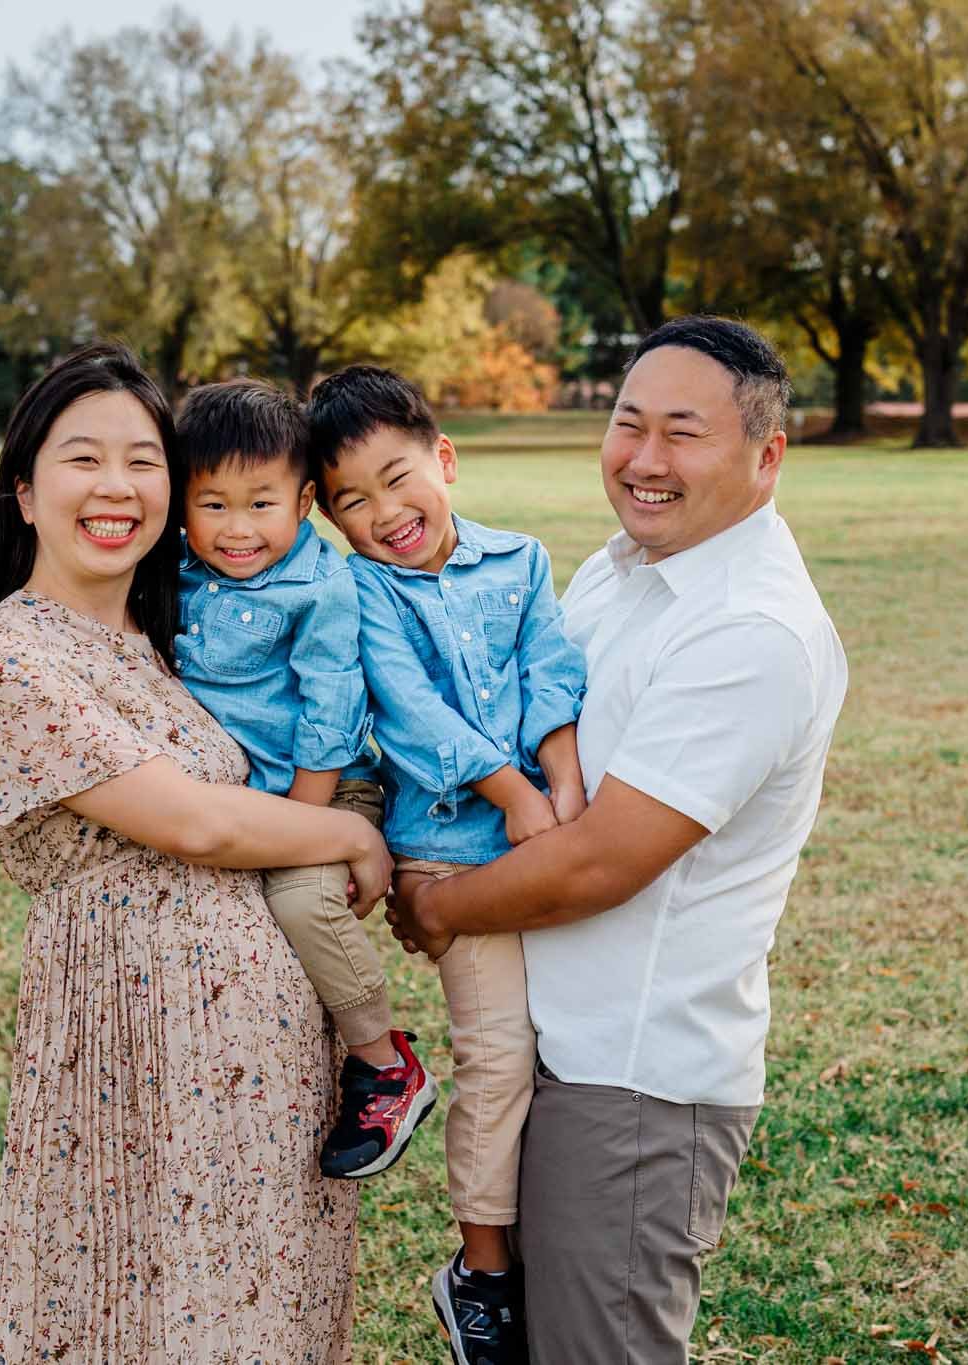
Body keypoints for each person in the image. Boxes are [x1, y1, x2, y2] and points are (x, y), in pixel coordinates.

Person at [386, 317, 848, 1363]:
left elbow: (602, 861)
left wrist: (436, 909)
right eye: (625, 424)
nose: (642, 459)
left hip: (635, 1085)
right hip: (560, 1052)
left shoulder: (749, 631)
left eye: (681, 434)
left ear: (765, 457)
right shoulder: (623, 569)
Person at [0, 342, 390, 1364]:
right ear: (22, 491)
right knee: (122, 1302)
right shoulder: (6, 659)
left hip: (266, 1061)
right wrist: (350, 831)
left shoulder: (178, 633)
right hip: (128, 1050)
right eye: (82, 458)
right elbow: (198, 824)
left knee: (262, 1304)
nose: (116, 486)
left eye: (142, 460)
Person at [310, 365, 590, 1365]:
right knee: (496, 1058)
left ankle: (540, 1232)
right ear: (330, 519)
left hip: (545, 832)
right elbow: (407, 714)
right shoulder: (359, 589)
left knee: (560, 1052)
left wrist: (558, 778)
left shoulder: (520, 560)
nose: (385, 512)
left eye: (397, 477)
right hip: (448, 857)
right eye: (352, 499)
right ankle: (480, 1270)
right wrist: (514, 797)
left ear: (445, 459)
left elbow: (551, 666)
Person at [169, 378, 437, 1180]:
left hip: (323, 786)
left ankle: (385, 1062)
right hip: (239, 796)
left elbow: (331, 708)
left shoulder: (322, 585)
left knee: (300, 896)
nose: (237, 528)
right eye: (212, 505)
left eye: (261, 504)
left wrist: (301, 823)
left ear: (306, 501)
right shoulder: (178, 569)